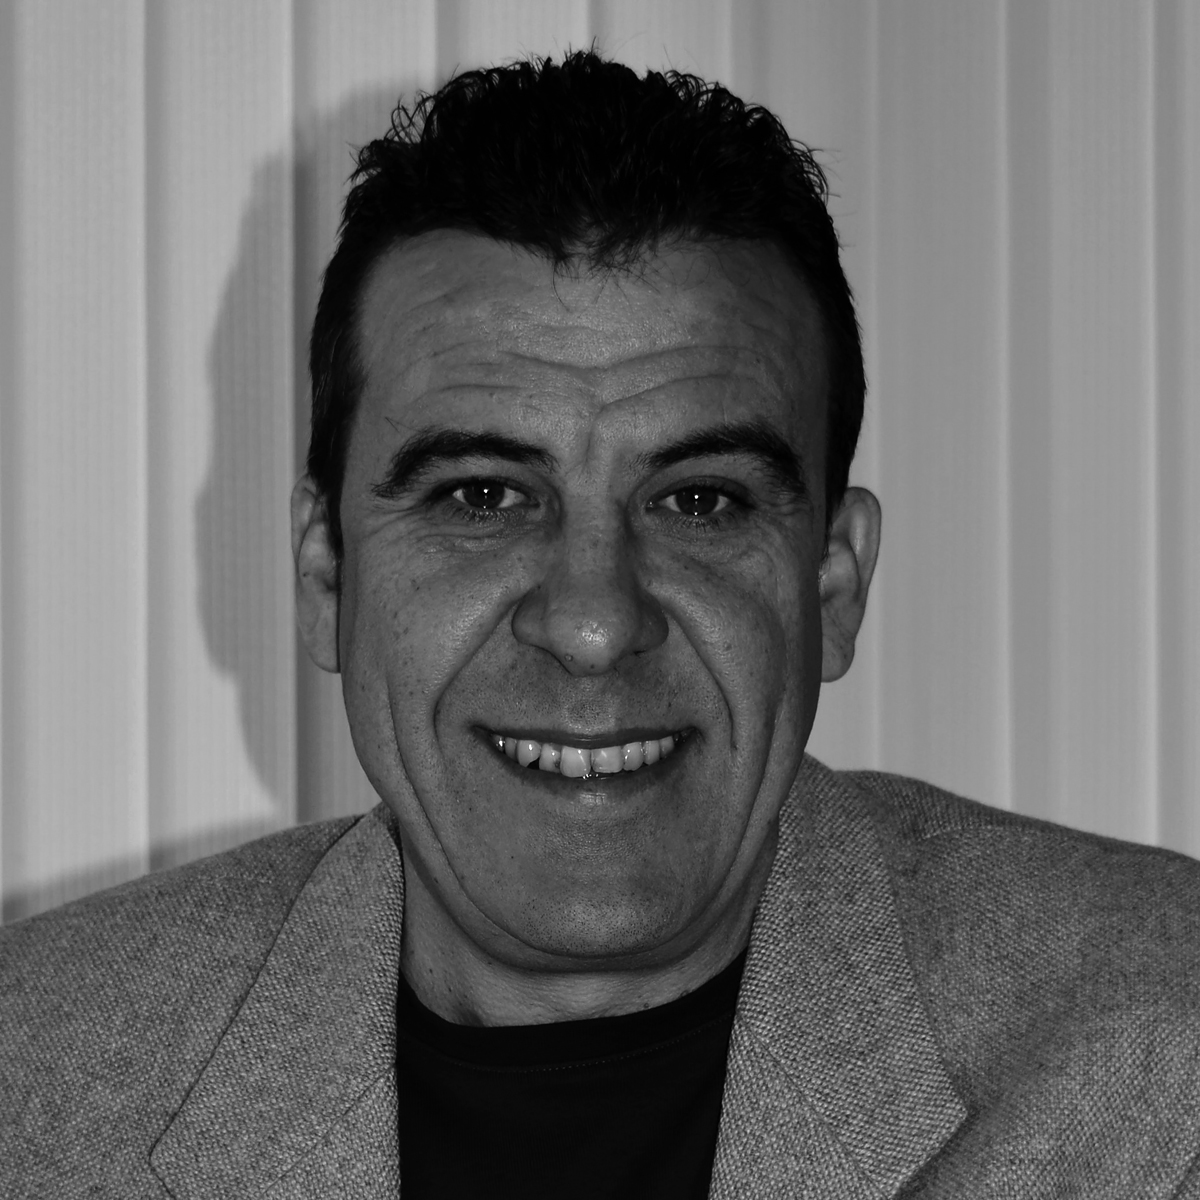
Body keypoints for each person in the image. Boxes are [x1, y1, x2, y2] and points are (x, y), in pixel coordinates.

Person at [3, 49, 1199, 1200]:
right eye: (482, 497)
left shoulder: (1165, 1053)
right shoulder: (34, 1078)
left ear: (834, 583)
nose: (591, 624)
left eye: (699, 501)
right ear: (326, 574)